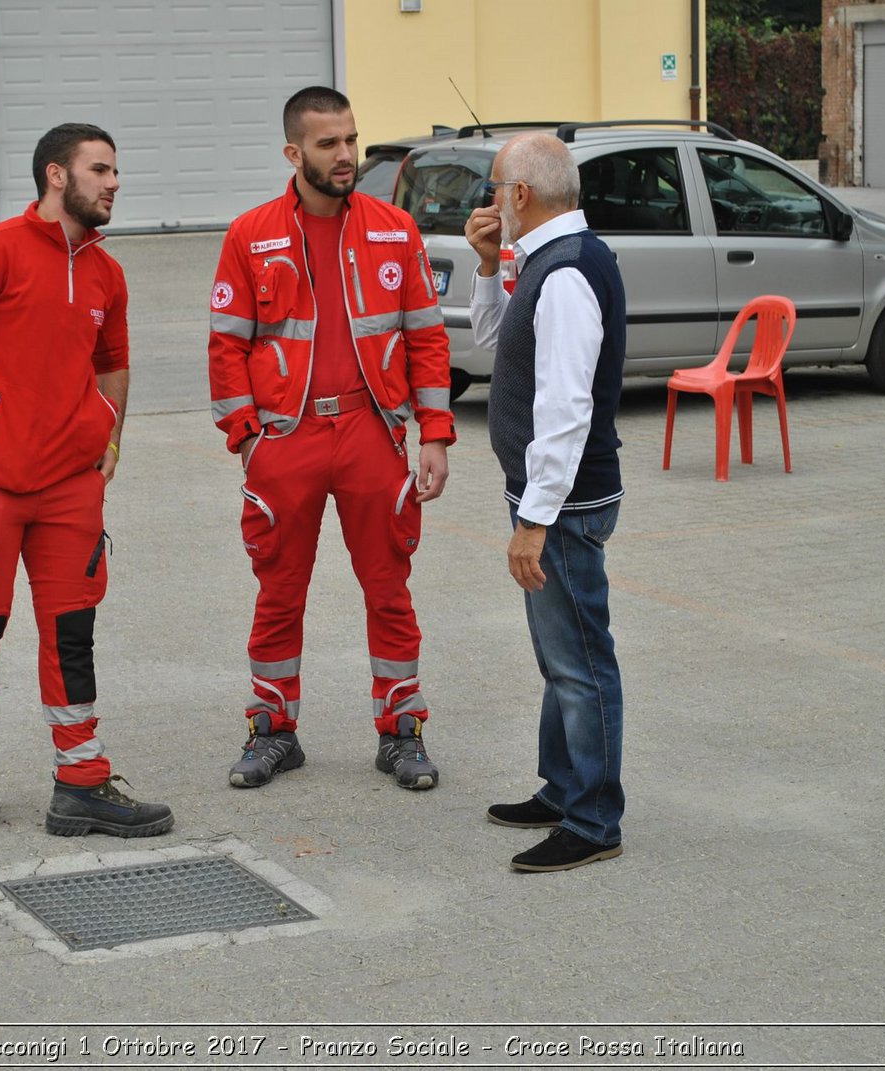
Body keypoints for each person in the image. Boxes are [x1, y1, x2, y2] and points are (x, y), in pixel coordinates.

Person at [0, 123, 173, 838]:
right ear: (57, 176)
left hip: (70, 489)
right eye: (101, 170)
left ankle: (81, 779)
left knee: (72, 636)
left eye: (115, 169)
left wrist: (112, 440)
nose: (114, 182)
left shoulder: (105, 271)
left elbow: (113, 360)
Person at [208, 86, 455, 790]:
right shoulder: (248, 234)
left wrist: (433, 433)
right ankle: (273, 729)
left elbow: (426, 337)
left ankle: (401, 730)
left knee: (389, 587)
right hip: (286, 439)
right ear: (294, 153)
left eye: (350, 140)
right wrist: (249, 438)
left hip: (371, 433)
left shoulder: (393, 229)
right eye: (328, 144)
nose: (345, 155)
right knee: (279, 592)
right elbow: (226, 349)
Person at [465, 133, 627, 872]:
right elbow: (497, 339)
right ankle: (564, 786)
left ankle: (593, 819)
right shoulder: (546, 262)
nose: (491, 200)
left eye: (496, 187)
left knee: (580, 660)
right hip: (547, 497)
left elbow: (566, 409)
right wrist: (484, 266)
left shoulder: (565, 274)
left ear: (521, 196)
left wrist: (534, 520)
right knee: (559, 653)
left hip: (559, 504)